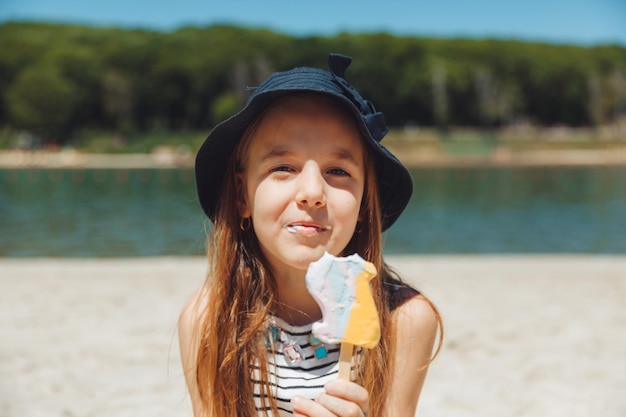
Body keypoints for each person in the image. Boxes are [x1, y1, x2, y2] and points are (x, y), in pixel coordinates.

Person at [179, 53, 443, 417]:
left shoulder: (404, 321)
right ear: (242, 195)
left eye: (337, 170)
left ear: (365, 202)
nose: (313, 191)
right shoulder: (208, 318)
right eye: (283, 167)